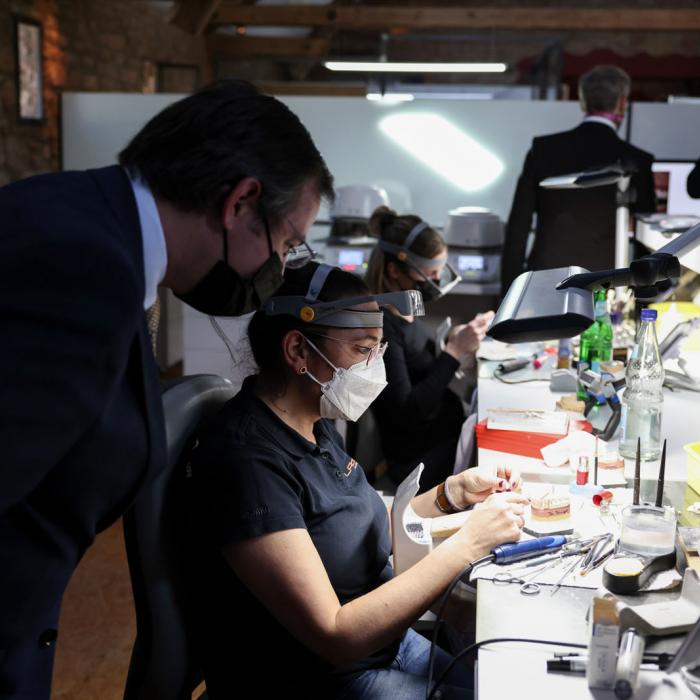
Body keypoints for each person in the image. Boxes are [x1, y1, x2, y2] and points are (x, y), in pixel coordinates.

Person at [0, 79, 333, 698]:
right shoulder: (81, 263)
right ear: (240, 203)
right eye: (285, 242)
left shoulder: (86, 221)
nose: (280, 266)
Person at [185, 262, 527, 699]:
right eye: (364, 348)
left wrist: (451, 494)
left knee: (500, 684)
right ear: (298, 351)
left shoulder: (312, 417)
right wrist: (469, 545)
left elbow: (363, 523)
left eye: (380, 348)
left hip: (385, 643)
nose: (374, 365)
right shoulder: (248, 464)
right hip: (322, 677)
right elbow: (336, 633)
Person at [365, 207, 494, 490]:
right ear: (395, 271)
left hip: (440, 439)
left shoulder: (406, 309)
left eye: (440, 271)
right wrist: (455, 352)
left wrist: (454, 338)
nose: (437, 281)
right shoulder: (382, 326)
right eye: (430, 273)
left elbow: (419, 365)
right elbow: (407, 414)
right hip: (415, 462)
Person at [502, 64, 656, 293]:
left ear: (582, 102)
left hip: (544, 281)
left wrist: (509, 292)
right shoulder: (635, 161)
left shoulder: (543, 150)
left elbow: (518, 228)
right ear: (623, 102)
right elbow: (646, 239)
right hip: (604, 285)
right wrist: (645, 295)